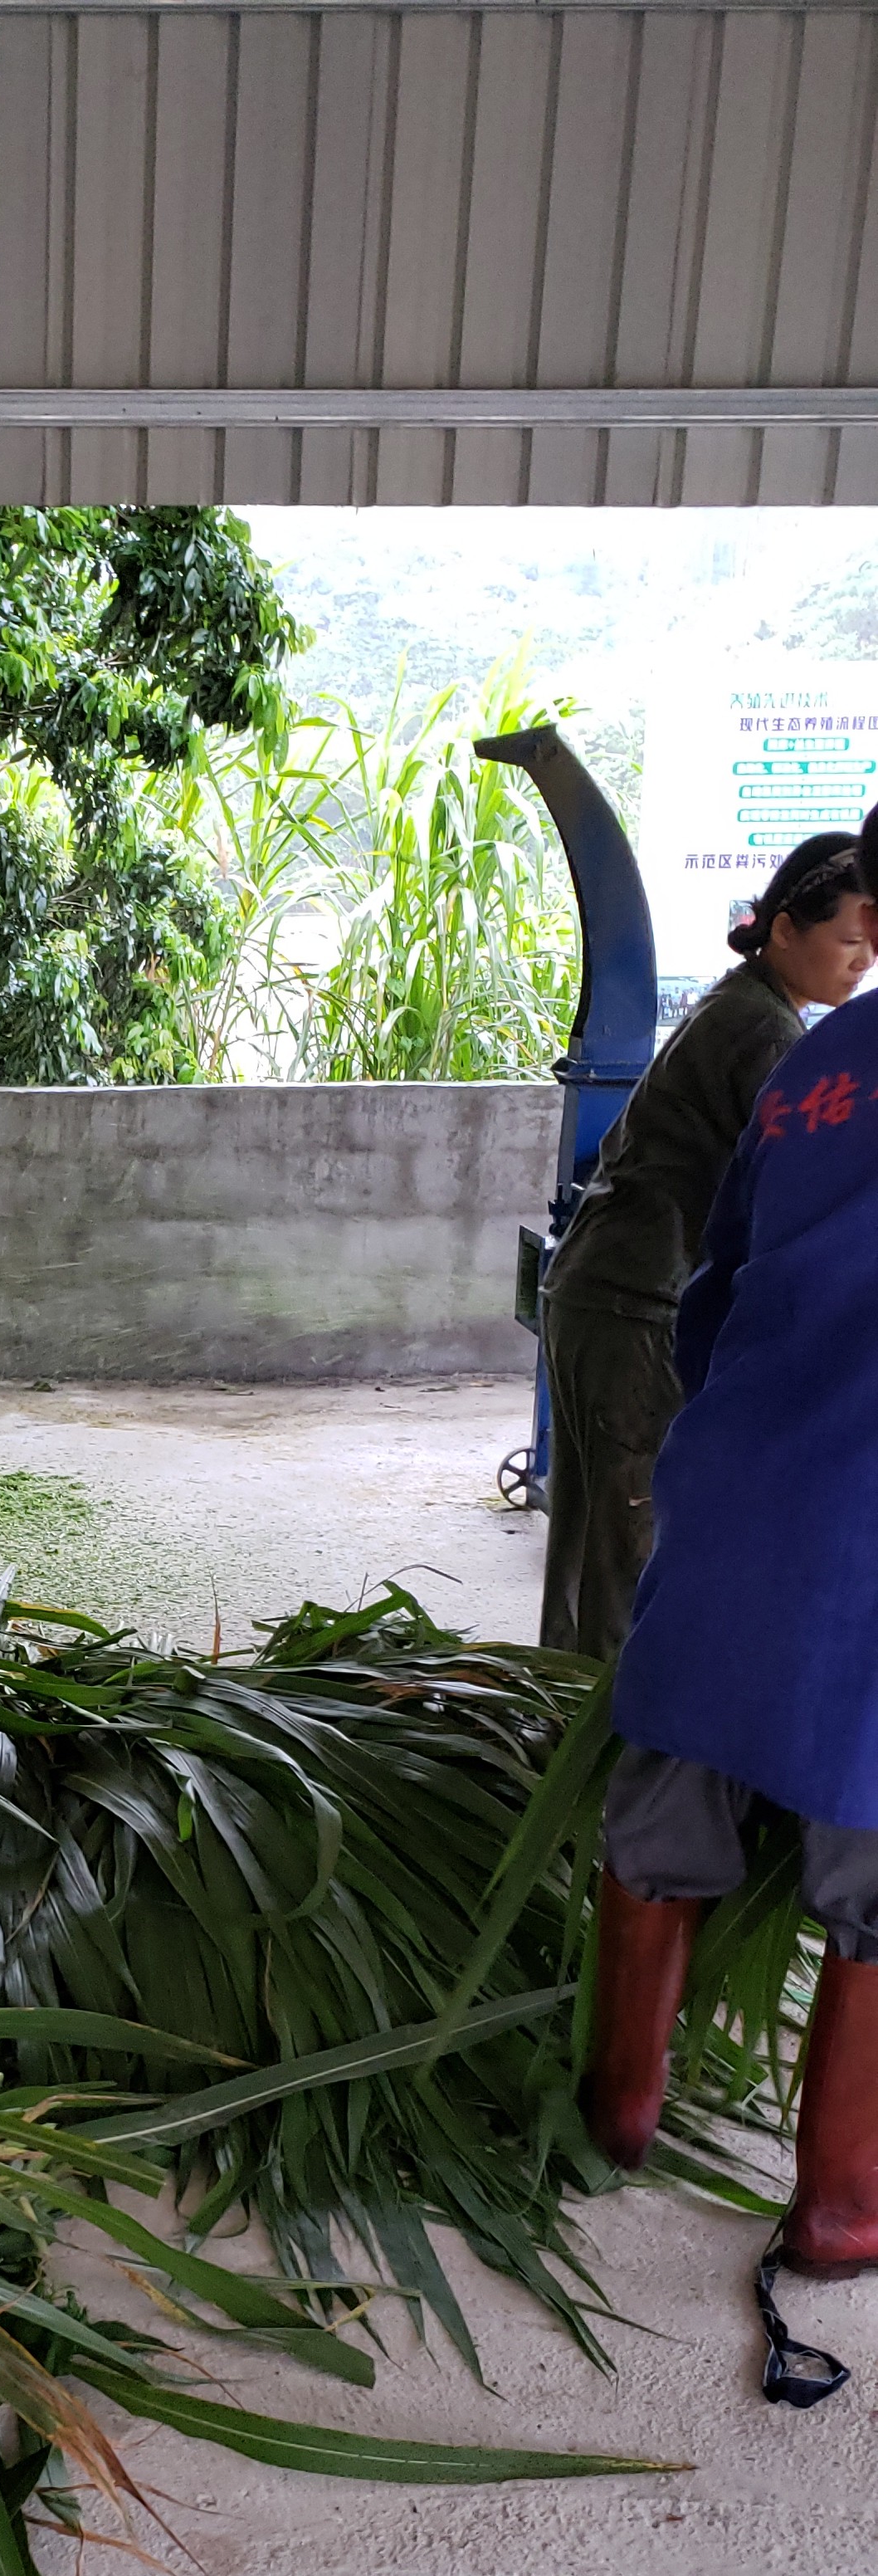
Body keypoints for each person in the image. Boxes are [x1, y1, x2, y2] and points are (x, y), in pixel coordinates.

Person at [581, 803, 878, 2282]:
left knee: (661, 1808)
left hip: (740, 1479)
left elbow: (716, 1291)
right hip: (866, 1525)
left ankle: (618, 2107)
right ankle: (839, 2204)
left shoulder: (814, 1065)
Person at [538, 829, 875, 1657]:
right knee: (635, 1548)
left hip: (594, 1292)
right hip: (637, 1303)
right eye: (848, 939)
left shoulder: (740, 1005)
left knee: (588, 1544)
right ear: (786, 930)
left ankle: (549, 1734)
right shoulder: (771, 1040)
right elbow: (799, 1202)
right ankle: (607, 1764)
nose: (862, 959)